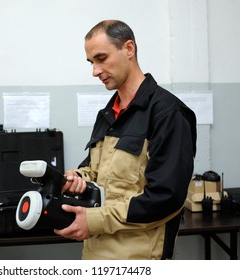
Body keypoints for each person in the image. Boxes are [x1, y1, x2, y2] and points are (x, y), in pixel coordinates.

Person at [54, 20, 197, 259]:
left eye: (101, 58)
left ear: (128, 49)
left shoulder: (167, 113)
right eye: (91, 62)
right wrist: (79, 178)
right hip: (95, 253)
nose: (95, 71)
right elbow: (96, 170)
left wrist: (95, 221)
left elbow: (166, 198)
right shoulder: (109, 113)